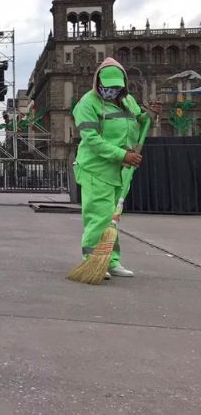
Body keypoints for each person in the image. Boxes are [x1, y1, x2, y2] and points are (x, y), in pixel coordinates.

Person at [72, 58, 160, 279]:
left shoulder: (128, 100)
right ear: (98, 82)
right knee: (99, 216)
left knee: (112, 219)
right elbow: (91, 139)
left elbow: (136, 121)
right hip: (95, 168)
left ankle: (110, 260)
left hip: (119, 170)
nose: (111, 90)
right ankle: (92, 261)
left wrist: (148, 115)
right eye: (107, 86)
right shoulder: (87, 104)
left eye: (116, 86)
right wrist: (123, 155)